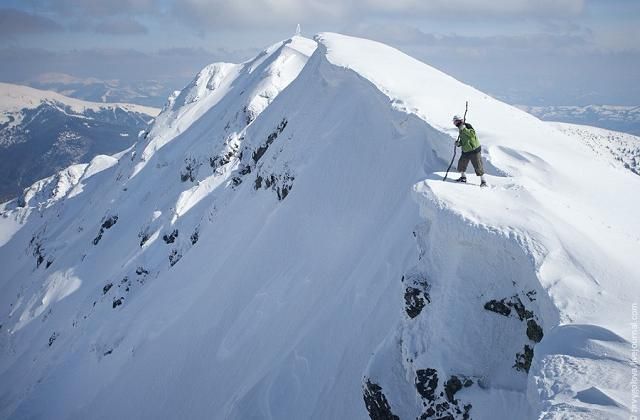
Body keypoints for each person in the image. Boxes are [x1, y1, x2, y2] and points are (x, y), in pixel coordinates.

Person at [453, 115, 487, 187]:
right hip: (466, 151)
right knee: (461, 164)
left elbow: (472, 135)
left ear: (459, 121)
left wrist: (464, 129)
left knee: (478, 165)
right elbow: (464, 140)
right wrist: (459, 144)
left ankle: (483, 181)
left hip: (474, 150)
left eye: (455, 122)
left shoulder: (467, 126)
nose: (454, 123)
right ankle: (463, 178)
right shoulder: (460, 129)